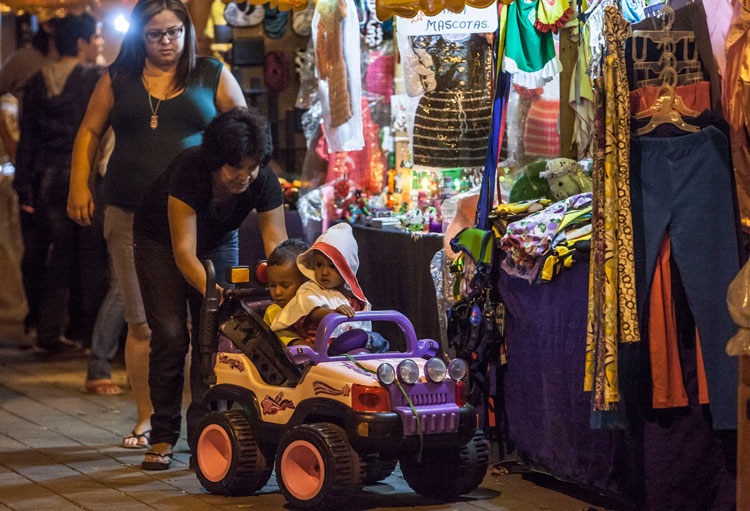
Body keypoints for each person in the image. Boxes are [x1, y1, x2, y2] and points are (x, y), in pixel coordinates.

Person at [67, 0, 247, 449]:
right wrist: (79, 184)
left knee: (211, 321)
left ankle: (214, 420)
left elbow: (245, 130)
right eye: (155, 34)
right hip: (129, 214)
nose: (167, 42)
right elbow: (89, 131)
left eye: (174, 33)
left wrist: (242, 181)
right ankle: (148, 418)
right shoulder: (119, 77)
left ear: (188, 32)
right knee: (144, 323)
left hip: (204, 220)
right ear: (139, 38)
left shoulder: (212, 73)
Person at [133, 107, 287, 470]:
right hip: (160, 243)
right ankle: (161, 436)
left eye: (253, 167)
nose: (245, 176)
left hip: (218, 241)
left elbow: (278, 246)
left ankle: (204, 436)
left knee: (214, 339)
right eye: (237, 168)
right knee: (171, 336)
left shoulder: (262, 180)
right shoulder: (190, 170)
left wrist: (291, 288)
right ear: (216, 160)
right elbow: (184, 252)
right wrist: (221, 295)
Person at [13, 13, 104, 354]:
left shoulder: (37, 81)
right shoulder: (96, 78)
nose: (99, 43)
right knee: (92, 259)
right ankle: (91, 336)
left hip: (47, 179)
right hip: (85, 178)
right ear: (80, 43)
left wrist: (24, 187)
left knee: (58, 257)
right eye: (94, 37)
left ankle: (49, 332)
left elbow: (28, 141)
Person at [270, 223, 372, 347]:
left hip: (349, 354)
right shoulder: (310, 289)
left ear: (347, 268)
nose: (324, 272)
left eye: (332, 266)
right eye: (319, 265)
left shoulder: (355, 299)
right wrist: (331, 312)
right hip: (318, 352)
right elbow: (311, 309)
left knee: (374, 340)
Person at [264, 238, 309, 346]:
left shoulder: (317, 302)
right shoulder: (274, 312)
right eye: (272, 285)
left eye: (285, 286)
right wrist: (299, 344)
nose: (278, 292)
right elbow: (284, 336)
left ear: (306, 280)